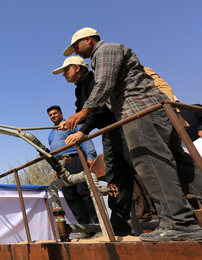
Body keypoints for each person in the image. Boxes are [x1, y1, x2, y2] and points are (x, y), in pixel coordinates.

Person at [61, 27, 202, 242]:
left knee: (152, 164)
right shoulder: (109, 52)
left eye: (77, 46)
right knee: (180, 163)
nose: (77, 51)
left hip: (137, 113)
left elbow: (104, 84)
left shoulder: (104, 52)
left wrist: (83, 112)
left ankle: (178, 222)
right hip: (153, 110)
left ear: (88, 40)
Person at [52, 56, 141, 235]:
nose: (63, 75)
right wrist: (73, 121)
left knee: (144, 169)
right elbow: (83, 112)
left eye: (65, 70)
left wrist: (82, 132)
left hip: (121, 128)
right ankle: (118, 224)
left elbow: (97, 110)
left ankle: (175, 214)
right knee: (115, 175)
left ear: (77, 68)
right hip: (108, 133)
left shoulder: (93, 81)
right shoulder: (79, 90)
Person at [47, 105, 99, 238]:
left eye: (55, 113)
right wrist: (56, 168)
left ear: (61, 113)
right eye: (51, 115)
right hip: (62, 166)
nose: (53, 116)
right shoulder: (51, 133)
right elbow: (53, 152)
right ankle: (86, 228)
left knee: (84, 193)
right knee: (71, 197)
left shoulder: (71, 124)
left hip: (75, 160)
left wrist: (91, 156)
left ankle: (99, 225)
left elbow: (84, 139)